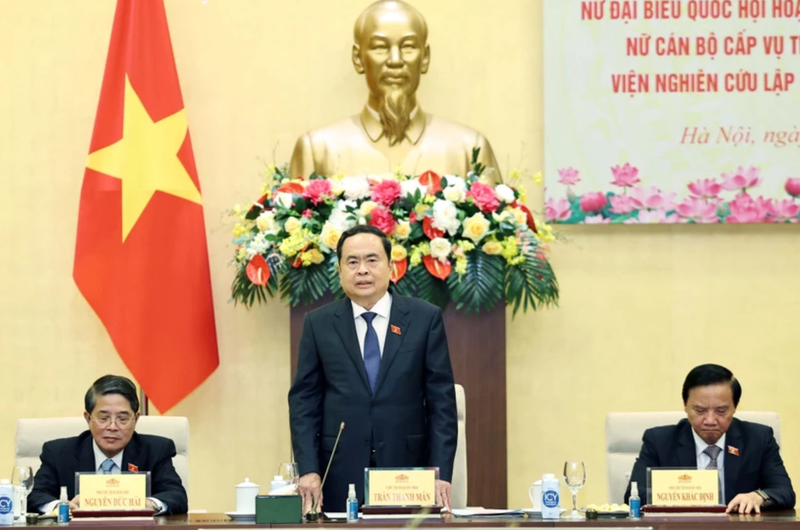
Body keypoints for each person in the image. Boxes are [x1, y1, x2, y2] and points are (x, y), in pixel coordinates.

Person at [288, 224, 457, 513]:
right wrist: (309, 471)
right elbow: (304, 401)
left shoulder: (423, 318)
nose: (362, 270)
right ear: (340, 270)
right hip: (338, 470)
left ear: (391, 266)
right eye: (352, 262)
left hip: (408, 472)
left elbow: (441, 402)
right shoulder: (319, 324)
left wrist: (439, 473)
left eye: (372, 260)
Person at [289, 0, 501, 183]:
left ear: (424, 57)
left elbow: (502, 228)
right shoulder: (317, 150)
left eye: (408, 46)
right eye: (380, 47)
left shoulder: (468, 149)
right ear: (358, 58)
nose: (396, 61)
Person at [625, 364, 795, 513]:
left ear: (735, 407)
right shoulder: (659, 441)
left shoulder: (758, 438)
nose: (710, 421)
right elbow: (634, 496)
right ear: (685, 406)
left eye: (721, 411)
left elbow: (784, 491)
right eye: (700, 411)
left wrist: (759, 496)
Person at [27, 375, 188, 515]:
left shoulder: (156, 450)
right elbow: (35, 496)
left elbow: (176, 496)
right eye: (103, 418)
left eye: (122, 419)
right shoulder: (58, 452)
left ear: (136, 419)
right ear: (88, 418)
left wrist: (149, 504)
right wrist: (62, 507)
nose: (112, 426)